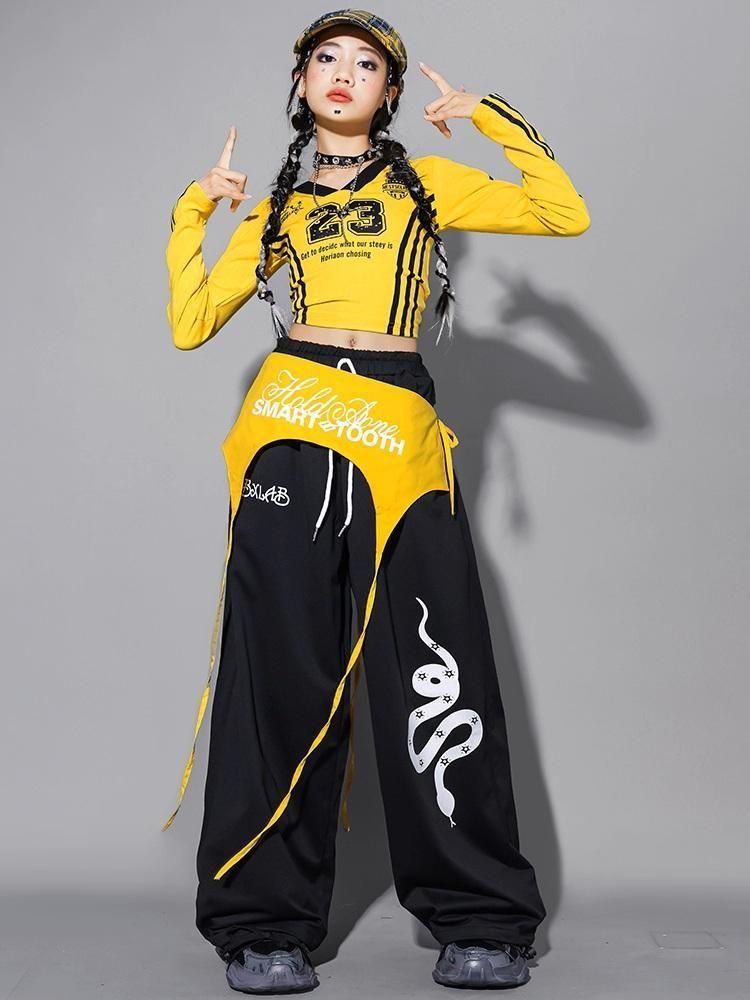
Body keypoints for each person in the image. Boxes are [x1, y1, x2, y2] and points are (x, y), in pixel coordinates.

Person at [163, 8, 590, 994]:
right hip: (292, 425)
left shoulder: (426, 183)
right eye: (327, 58)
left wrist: (489, 116)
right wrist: (194, 208)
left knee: (436, 669)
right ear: (302, 80)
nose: (344, 73)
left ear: (391, 92)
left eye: (367, 63)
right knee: (278, 669)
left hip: (398, 433)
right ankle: (263, 923)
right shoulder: (277, 209)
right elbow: (191, 322)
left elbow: (563, 210)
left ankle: (479, 916)